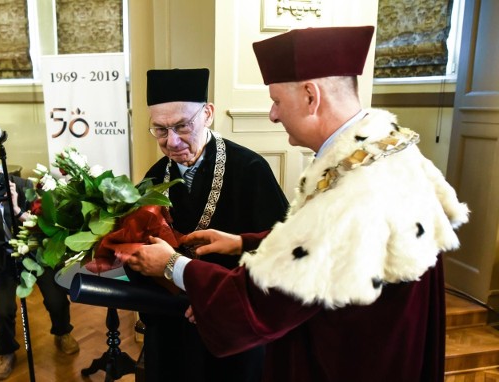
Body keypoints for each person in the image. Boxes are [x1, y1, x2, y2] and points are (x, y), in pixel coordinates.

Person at [123, 26, 470, 382]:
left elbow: (264, 301)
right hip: (381, 342)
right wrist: (245, 242)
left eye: (276, 100)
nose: (272, 114)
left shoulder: (356, 189)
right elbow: (327, 247)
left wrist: (173, 266)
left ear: (310, 95)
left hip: (351, 357)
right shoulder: (378, 153)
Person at [131, 68, 289, 382]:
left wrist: (219, 301)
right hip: (172, 323)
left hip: (230, 322)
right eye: (160, 130)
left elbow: (279, 250)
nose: (172, 141)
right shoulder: (152, 179)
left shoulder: (250, 169)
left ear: (208, 114)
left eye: (181, 125)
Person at [0, 159, 79, 380]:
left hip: (36, 253)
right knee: (1, 311)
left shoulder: (24, 187)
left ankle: (63, 332)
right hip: (0, 262)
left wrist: (16, 208)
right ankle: (6, 352)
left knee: (57, 300)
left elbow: (46, 228)